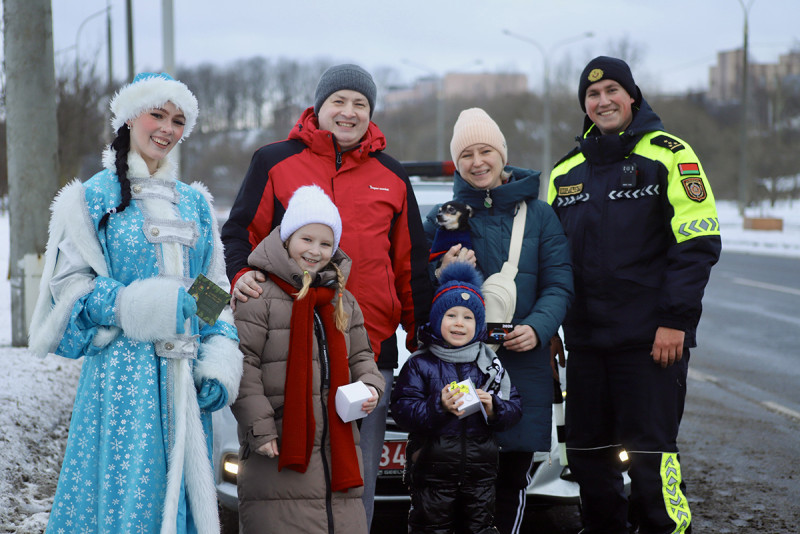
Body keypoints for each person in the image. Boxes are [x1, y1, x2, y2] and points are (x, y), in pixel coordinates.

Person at [28, 72, 243, 534]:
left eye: (179, 120)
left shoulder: (196, 204)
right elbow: (70, 290)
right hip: (123, 380)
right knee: (128, 501)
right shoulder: (92, 198)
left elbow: (213, 291)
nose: (167, 128)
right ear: (129, 117)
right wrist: (140, 306)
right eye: (158, 115)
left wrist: (218, 361)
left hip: (185, 385)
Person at [221, 63, 432, 526]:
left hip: (365, 352)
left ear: (371, 114)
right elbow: (239, 233)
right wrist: (240, 277)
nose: (349, 112)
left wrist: (423, 341)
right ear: (319, 106)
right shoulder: (274, 161)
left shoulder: (391, 176)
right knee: (283, 483)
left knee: (356, 486)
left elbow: (411, 265)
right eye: (339, 100)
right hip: (284, 350)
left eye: (360, 104)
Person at [548, 56, 721, 534]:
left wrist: (675, 322)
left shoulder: (671, 155)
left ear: (632, 96)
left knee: (651, 458)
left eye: (611, 92)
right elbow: (550, 261)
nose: (602, 101)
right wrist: (548, 326)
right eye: (592, 95)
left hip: (651, 342)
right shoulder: (565, 173)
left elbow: (698, 245)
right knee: (585, 456)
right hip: (585, 344)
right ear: (584, 105)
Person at [424, 108, 574, 534]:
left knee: (510, 479)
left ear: (502, 154)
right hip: (458, 364)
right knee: (453, 480)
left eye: (485, 150)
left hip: (522, 363)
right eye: (466, 154)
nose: (477, 161)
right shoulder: (446, 216)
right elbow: (417, 290)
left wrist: (539, 327)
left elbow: (559, 283)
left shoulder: (540, 215)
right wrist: (442, 274)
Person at [231, 185, 385, 533]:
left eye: (326, 243)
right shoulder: (259, 295)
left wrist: (371, 387)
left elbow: (363, 357)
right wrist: (260, 428)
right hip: (278, 449)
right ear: (287, 238)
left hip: (338, 449)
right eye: (307, 239)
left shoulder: (341, 300)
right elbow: (242, 367)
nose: (315, 251)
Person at [391, 262, 523, 534]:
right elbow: (403, 410)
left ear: (479, 324)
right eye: (451, 315)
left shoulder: (490, 363)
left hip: (480, 476)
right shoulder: (420, 364)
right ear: (438, 319)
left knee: (479, 529)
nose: (459, 323)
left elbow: (515, 408)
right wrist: (437, 405)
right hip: (432, 475)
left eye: (468, 317)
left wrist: (494, 408)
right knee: (431, 529)